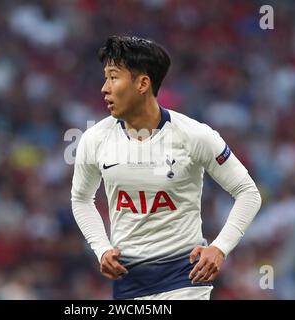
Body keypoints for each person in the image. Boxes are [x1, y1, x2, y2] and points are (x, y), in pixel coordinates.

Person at [71, 35, 262, 300]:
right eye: (106, 77)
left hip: (184, 277)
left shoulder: (195, 135)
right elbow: (81, 199)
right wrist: (101, 248)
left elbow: (247, 192)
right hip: (129, 281)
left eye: (114, 77)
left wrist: (219, 248)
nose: (104, 88)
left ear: (142, 83)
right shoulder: (94, 139)